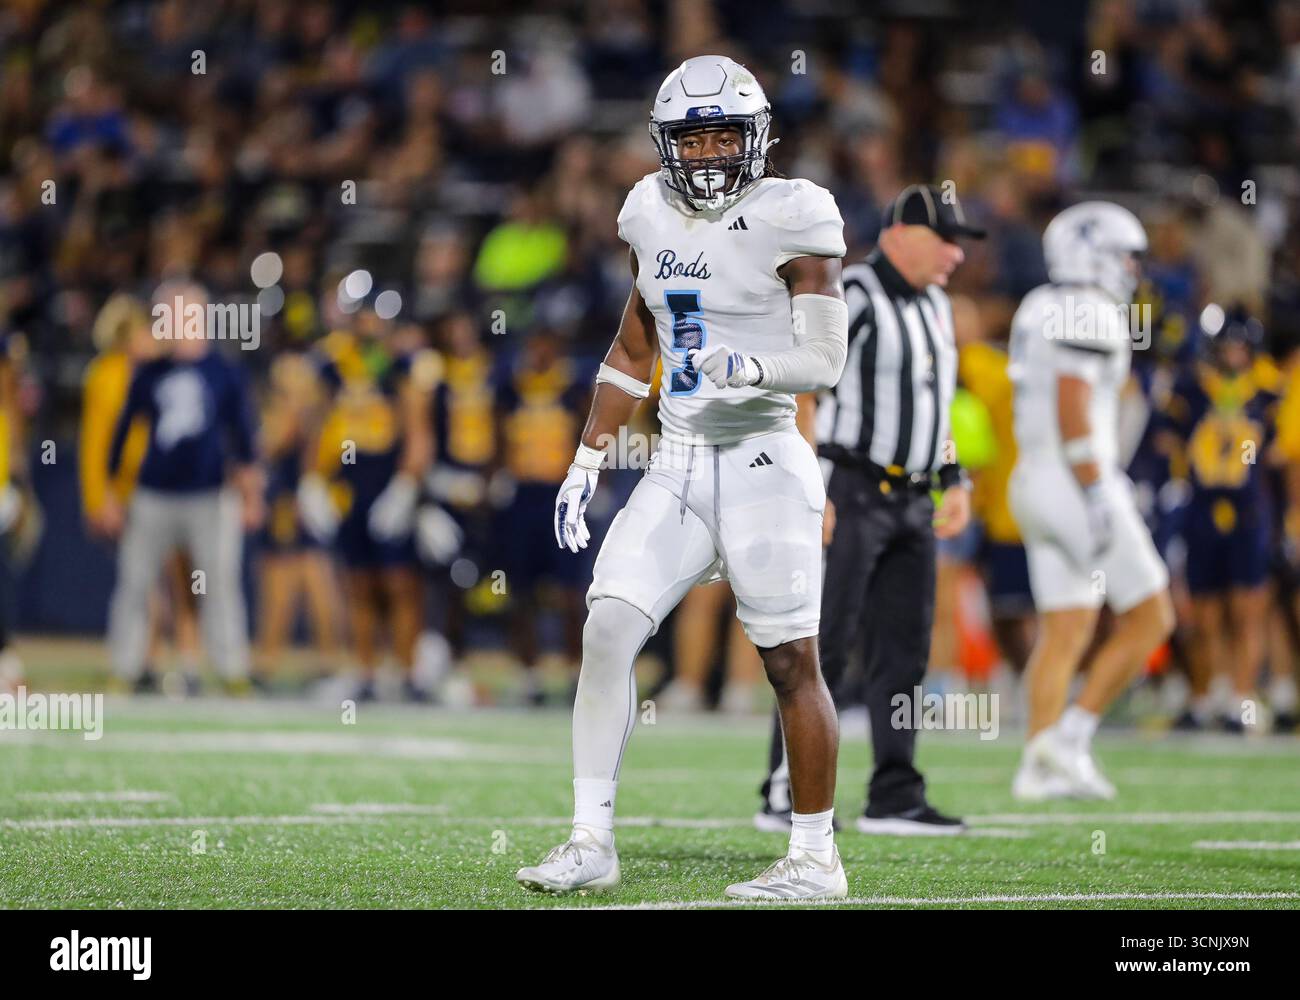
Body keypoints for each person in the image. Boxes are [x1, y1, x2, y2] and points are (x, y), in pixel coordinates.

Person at [515, 55, 849, 899]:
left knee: (789, 662)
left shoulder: (795, 214)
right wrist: (587, 459)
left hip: (765, 460)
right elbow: (634, 348)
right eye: (690, 138)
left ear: (756, 138)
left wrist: (753, 365)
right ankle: (591, 839)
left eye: (722, 135)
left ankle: (816, 857)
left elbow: (825, 356)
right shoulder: (645, 212)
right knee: (607, 628)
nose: (705, 155)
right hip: (677, 462)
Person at [757, 184, 981, 836]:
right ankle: (784, 790)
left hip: (914, 497)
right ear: (899, 235)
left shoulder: (937, 305)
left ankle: (894, 793)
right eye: (944, 239)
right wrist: (809, 483)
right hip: (850, 490)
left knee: (905, 652)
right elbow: (802, 383)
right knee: (819, 645)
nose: (956, 255)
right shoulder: (852, 293)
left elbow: (934, 404)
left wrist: (952, 477)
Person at [1008, 202, 1175, 801]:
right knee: (1153, 615)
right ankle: (1071, 736)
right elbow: (1073, 397)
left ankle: (1036, 760)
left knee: (1067, 627)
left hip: (1032, 480)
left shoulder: (1037, 304)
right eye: (1126, 255)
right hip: (1074, 481)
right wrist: (1097, 484)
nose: (1132, 268)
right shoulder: (1089, 309)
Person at [102, 283, 265, 692]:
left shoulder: (224, 372)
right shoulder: (150, 371)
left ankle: (232, 670)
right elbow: (123, 432)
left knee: (220, 584)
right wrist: (110, 492)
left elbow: (244, 440)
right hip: (154, 492)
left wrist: (251, 495)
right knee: (135, 583)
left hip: (209, 494)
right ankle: (124, 668)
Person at [298, 307, 436, 702]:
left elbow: (418, 431)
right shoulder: (333, 365)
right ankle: (366, 671)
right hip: (350, 484)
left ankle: (409, 673)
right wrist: (310, 480)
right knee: (357, 582)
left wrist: (407, 485)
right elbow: (316, 425)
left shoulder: (401, 365)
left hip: (387, 478)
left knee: (399, 582)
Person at [1155, 305, 1279, 730]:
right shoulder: (1190, 389)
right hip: (1201, 509)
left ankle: (1241, 701)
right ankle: (1207, 695)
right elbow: (1167, 447)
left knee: (1247, 609)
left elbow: (1275, 460)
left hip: (1248, 511)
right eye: (1226, 345)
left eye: (1239, 346)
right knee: (1203, 614)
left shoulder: (1268, 392)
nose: (1232, 354)